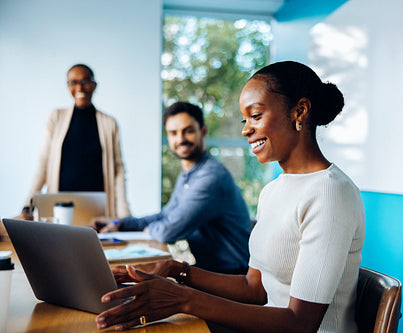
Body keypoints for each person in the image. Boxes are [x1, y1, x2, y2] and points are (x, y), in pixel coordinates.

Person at [95, 61, 365, 333]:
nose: (246, 129)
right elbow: (254, 288)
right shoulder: (273, 190)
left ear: (300, 110)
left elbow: (301, 324)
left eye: (256, 116)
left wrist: (184, 299)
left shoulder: (331, 192)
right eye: (244, 120)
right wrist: (175, 269)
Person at [93, 102, 252, 274]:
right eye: (173, 133)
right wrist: (119, 223)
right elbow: (166, 215)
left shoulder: (210, 177)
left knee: (143, 283)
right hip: (212, 270)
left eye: (188, 131)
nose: (180, 139)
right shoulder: (189, 174)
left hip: (234, 275)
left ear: (203, 131)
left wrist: (150, 228)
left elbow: (168, 232)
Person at [18, 64, 131, 219]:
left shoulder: (110, 123)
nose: (80, 87)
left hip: (98, 212)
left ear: (94, 85)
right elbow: (43, 163)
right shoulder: (55, 118)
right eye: (74, 82)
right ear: (68, 86)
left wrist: (124, 213)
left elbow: (118, 170)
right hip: (60, 210)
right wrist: (28, 205)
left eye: (85, 81)